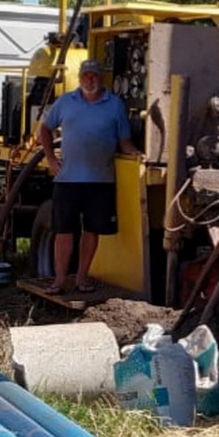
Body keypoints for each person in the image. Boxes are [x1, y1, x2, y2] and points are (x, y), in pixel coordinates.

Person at [39, 58, 140, 295]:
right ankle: (59, 280)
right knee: (63, 231)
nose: (90, 79)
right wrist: (51, 158)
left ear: (101, 78)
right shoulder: (65, 102)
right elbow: (45, 128)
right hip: (67, 180)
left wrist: (136, 154)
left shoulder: (115, 105)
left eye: (94, 75)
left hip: (100, 180)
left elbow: (124, 141)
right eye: (86, 75)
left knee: (91, 231)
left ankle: (82, 278)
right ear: (80, 77)